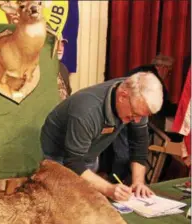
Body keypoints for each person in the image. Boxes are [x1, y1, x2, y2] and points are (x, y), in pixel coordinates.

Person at [40, 72, 163, 201]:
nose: (137, 120)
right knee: (62, 203)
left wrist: (138, 182)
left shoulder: (137, 100)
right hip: (57, 156)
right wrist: (109, 189)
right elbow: (73, 162)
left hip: (87, 154)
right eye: (134, 115)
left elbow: (139, 142)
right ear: (123, 96)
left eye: (142, 116)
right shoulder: (86, 111)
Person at [106, 54, 174, 183]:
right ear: (162, 67)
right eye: (169, 72)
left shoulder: (140, 73)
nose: (168, 76)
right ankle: (116, 183)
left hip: (123, 114)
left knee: (128, 152)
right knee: (123, 155)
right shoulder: (151, 79)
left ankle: (118, 182)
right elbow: (164, 107)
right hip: (124, 116)